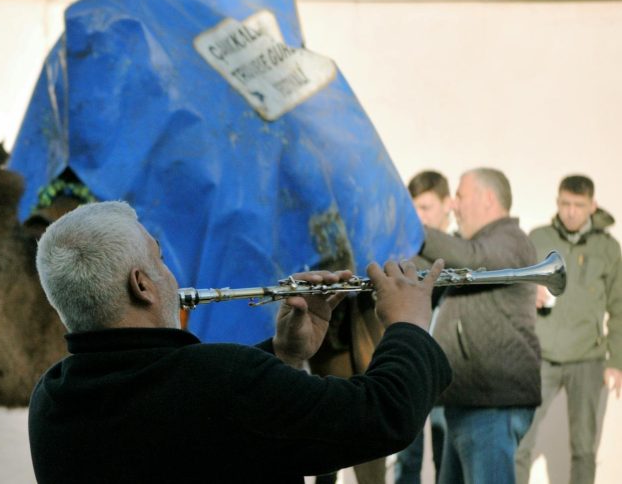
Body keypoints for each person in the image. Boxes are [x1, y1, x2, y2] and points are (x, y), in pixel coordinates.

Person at [28, 201, 452, 484]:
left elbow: (197, 415)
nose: (170, 274)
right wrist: (408, 322)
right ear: (142, 285)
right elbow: (385, 414)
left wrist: (282, 354)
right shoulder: (223, 380)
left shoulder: (50, 400)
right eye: (160, 258)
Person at [417, 168, 541, 484]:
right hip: (470, 401)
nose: (453, 205)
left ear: (487, 199)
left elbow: (472, 257)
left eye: (460, 196)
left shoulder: (510, 240)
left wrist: (413, 229)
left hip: (492, 404)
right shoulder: (480, 244)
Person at [515, 175, 622, 484]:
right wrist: (529, 291)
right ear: (557, 202)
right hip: (542, 355)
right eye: (565, 204)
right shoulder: (538, 238)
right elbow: (514, 285)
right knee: (521, 443)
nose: (571, 212)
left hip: (587, 359)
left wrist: (616, 361)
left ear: (592, 206)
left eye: (578, 205)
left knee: (584, 449)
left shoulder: (608, 248)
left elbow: (619, 307)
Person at [394, 170, 453, 484]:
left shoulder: (462, 250)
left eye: (426, 207)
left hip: (447, 370)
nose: (418, 216)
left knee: (447, 458)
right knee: (407, 459)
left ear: (448, 204)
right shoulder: (402, 252)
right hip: (411, 368)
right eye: (413, 207)